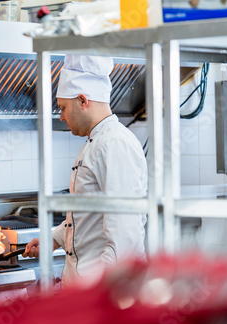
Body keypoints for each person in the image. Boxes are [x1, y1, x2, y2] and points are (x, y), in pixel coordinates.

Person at [22, 55, 148, 286]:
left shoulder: (113, 145)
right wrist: (55, 238)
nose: (60, 116)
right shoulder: (96, 142)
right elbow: (90, 213)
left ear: (83, 100)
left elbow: (125, 237)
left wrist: (98, 294)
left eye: (63, 108)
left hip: (103, 294)